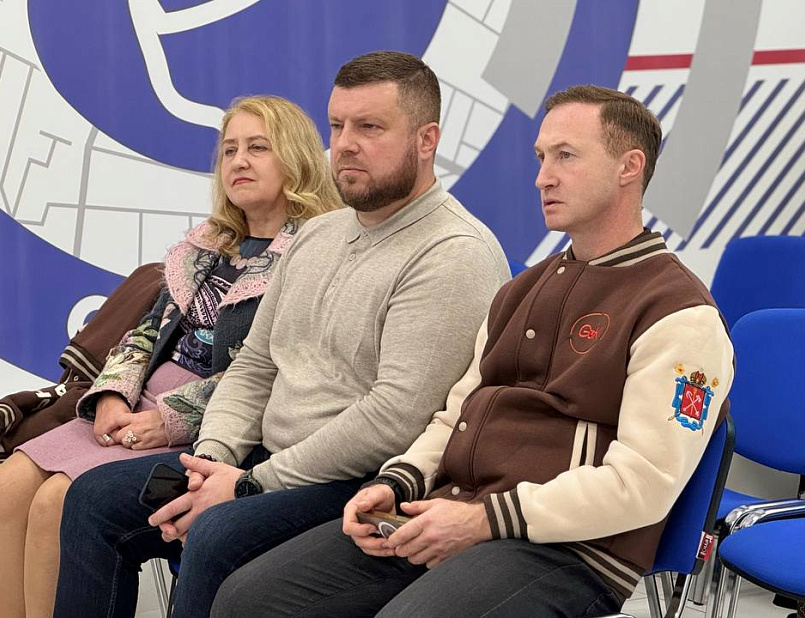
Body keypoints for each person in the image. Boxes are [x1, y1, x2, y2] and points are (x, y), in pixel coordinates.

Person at [212, 85, 736, 618]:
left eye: (565, 156)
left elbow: (643, 486)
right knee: (248, 598)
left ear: (629, 167)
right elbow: (455, 414)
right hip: (452, 511)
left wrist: (484, 520)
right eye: (541, 157)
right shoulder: (520, 290)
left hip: (569, 550)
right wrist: (397, 481)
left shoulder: (680, 314)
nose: (543, 177)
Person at [52, 51, 510, 618]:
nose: (346, 145)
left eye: (370, 127)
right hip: (261, 459)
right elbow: (255, 366)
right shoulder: (316, 235)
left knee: (217, 530)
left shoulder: (453, 253)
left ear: (426, 140)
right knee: (93, 499)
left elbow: (394, 418)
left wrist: (247, 485)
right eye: (338, 125)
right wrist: (211, 460)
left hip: (361, 480)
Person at [0, 94, 340, 618]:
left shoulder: (316, 253)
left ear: (297, 158)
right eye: (229, 150)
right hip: (137, 404)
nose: (239, 161)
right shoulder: (206, 245)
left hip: (215, 423)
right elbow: (144, 334)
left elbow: (269, 376)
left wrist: (170, 420)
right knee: (10, 481)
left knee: (57, 500)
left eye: (258, 148)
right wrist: (111, 395)